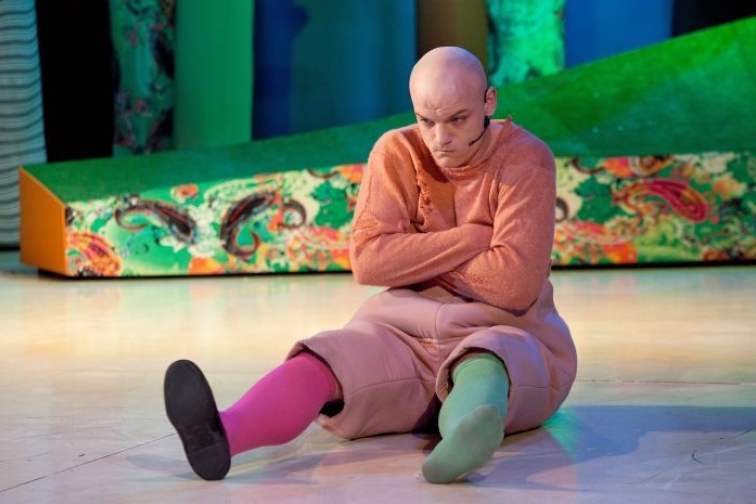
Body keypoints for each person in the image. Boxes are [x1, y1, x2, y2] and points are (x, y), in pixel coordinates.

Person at [164, 46, 577, 484]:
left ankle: (464, 436)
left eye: (457, 119)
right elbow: (368, 260)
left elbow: (514, 283)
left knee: (488, 360)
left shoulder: (525, 158)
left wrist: (411, 252)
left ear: (488, 102)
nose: (440, 138)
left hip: (500, 326)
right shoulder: (396, 151)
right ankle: (224, 432)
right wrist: (470, 238)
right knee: (326, 358)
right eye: (426, 121)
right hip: (401, 330)